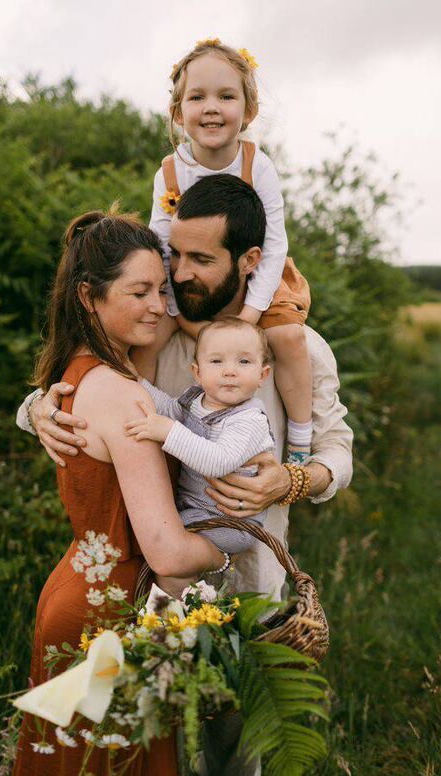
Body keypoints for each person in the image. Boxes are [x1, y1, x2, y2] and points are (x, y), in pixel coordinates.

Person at [19, 174, 353, 776]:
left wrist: (292, 478)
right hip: (158, 588)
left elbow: (338, 451)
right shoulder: (161, 340)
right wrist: (35, 408)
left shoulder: (298, 352)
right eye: (176, 256)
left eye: (201, 259)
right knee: (140, 756)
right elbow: (97, 387)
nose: (181, 275)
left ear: (248, 261)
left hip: (249, 584)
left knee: (228, 765)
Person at [7, 208, 228, 776]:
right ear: (89, 296)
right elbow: (166, 551)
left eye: (161, 289)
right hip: (109, 622)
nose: (158, 305)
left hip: (75, 592)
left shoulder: (74, 375)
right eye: (139, 292)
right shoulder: (123, 394)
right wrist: (225, 552)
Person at [131, 38, 314, 464]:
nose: (211, 107)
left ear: (249, 111)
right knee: (145, 337)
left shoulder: (257, 164)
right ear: (178, 112)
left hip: (259, 275)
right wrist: (177, 313)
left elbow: (274, 243)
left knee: (287, 336)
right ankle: (137, 421)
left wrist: (248, 317)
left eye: (226, 96)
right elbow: (162, 246)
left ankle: (300, 442)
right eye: (197, 97)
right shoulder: (170, 171)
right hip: (181, 278)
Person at [126, 317, 276, 595]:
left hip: (231, 522)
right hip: (196, 509)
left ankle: (173, 610)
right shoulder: (195, 400)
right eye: (217, 361)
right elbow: (168, 409)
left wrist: (168, 432)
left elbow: (218, 461)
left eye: (244, 362)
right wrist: (135, 382)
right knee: (167, 556)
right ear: (197, 372)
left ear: (262, 374)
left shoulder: (249, 420)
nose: (230, 371)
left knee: (163, 540)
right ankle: (179, 610)